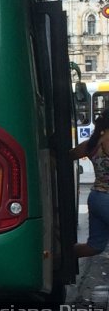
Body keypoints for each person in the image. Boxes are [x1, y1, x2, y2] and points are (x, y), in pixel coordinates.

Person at [70, 108, 109, 257]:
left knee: (94, 247)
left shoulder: (92, 144)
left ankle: (56, 258)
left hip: (96, 198)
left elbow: (67, 156)